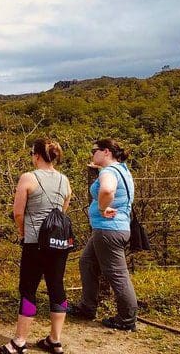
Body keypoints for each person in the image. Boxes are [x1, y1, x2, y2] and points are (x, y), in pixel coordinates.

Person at [0, 139, 72, 354]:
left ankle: (19, 341)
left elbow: (18, 212)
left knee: (28, 290)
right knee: (57, 287)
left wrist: (23, 231)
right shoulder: (65, 180)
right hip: (59, 242)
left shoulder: (28, 177)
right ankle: (55, 340)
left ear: (36, 155)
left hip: (35, 241)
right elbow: (63, 209)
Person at [68, 139, 138, 331]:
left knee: (117, 274)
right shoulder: (122, 169)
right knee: (86, 262)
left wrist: (101, 207)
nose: (92, 154)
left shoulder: (109, 172)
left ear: (106, 152)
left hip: (109, 228)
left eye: (94, 151)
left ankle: (127, 319)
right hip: (114, 228)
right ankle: (87, 307)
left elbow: (107, 189)